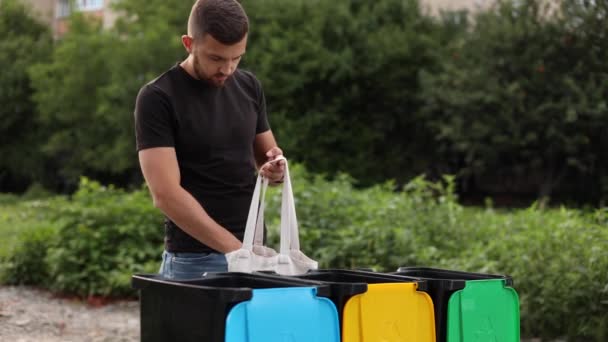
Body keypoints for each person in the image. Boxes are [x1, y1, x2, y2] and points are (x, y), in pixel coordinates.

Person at [134, 0, 285, 279]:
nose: (227, 69)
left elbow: (268, 161)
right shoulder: (157, 97)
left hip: (253, 254)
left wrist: (275, 169)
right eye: (216, 58)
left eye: (236, 57)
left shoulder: (249, 86)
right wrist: (237, 251)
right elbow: (165, 194)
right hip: (195, 262)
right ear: (189, 43)